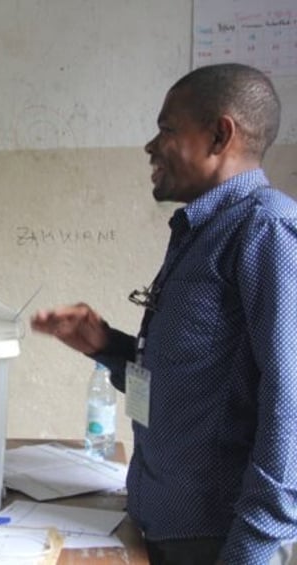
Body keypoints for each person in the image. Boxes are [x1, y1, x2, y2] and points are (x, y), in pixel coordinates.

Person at [31, 63, 297, 564]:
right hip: (161, 527)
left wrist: (252, 549)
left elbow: (290, 404)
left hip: (218, 542)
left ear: (221, 134)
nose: (151, 146)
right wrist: (107, 346)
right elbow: (188, 385)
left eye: (167, 129)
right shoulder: (202, 230)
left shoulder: (266, 228)